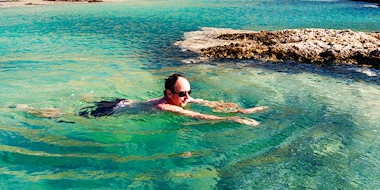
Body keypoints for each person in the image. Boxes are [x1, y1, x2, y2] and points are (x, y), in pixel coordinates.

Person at [79, 73, 266, 126]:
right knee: (72, 116)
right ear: (169, 94)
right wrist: (232, 120)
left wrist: (242, 110)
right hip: (112, 110)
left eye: (189, 92)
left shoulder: (181, 99)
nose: (187, 97)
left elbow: (209, 104)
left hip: (123, 101)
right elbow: (198, 116)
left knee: (87, 102)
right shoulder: (164, 106)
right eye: (182, 93)